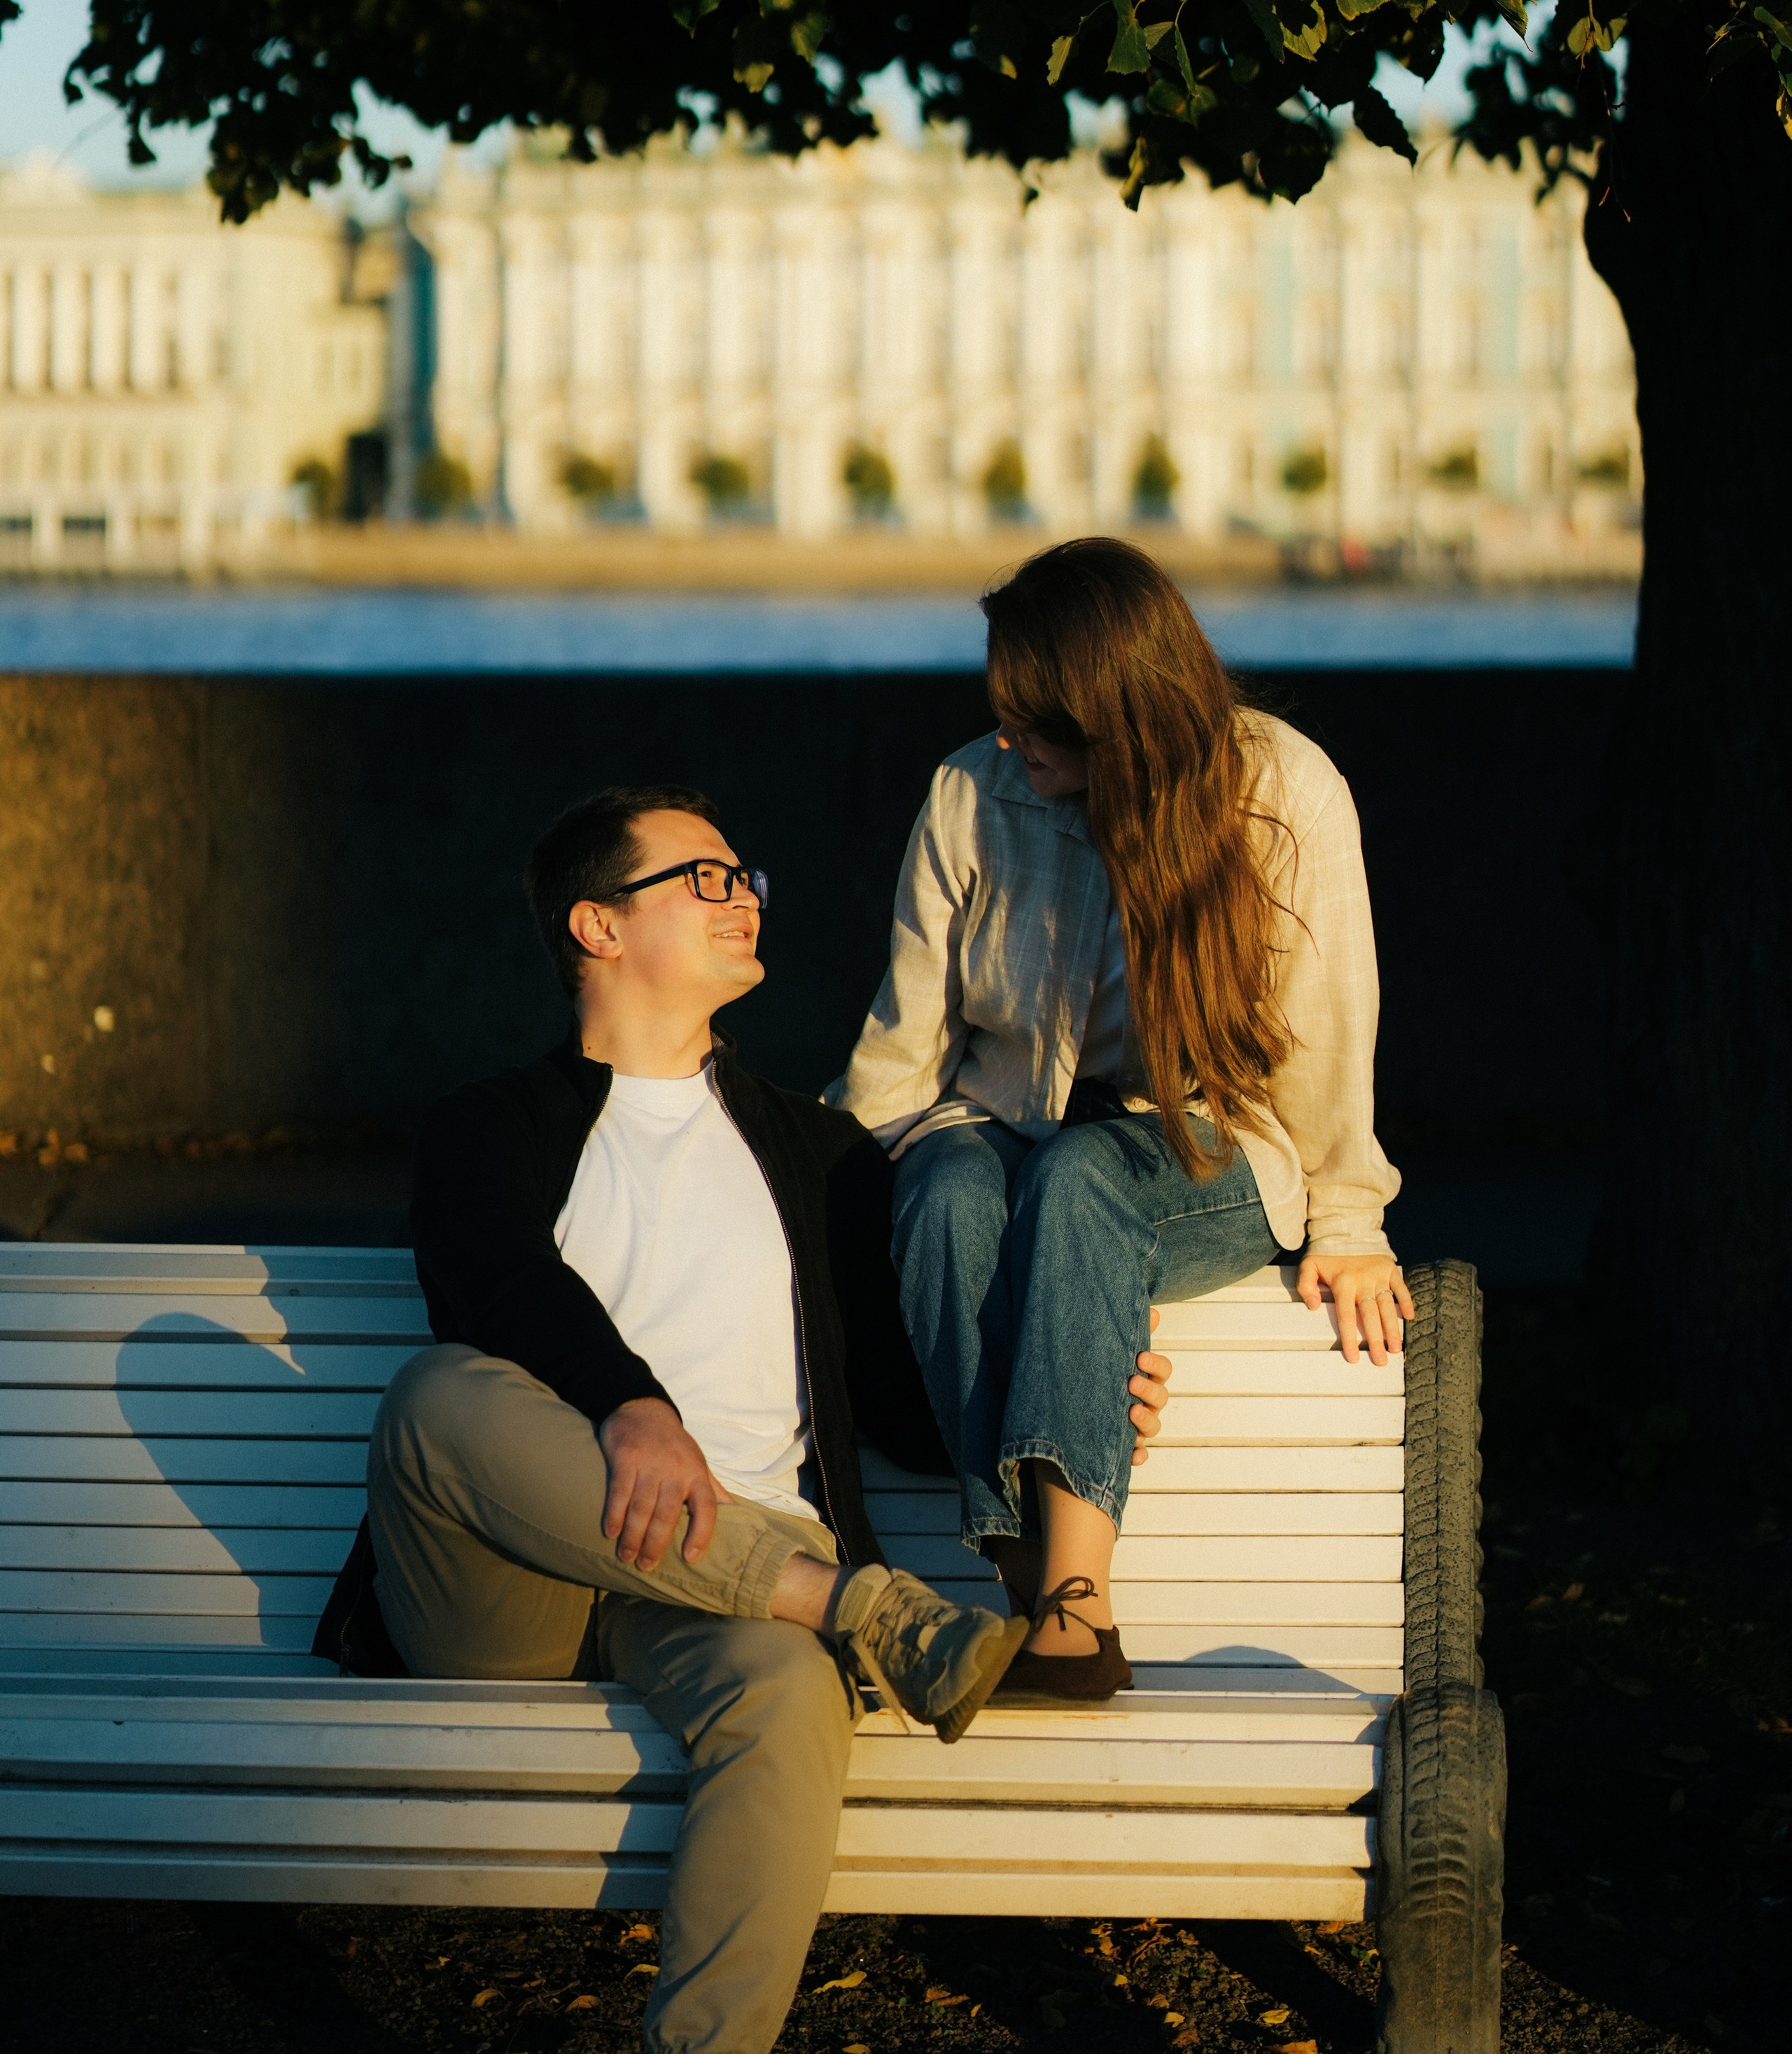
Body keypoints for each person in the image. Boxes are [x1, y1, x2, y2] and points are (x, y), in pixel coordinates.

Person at [325, 781, 1171, 2054]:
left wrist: (1077, 1389)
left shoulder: (820, 1152)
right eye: (704, 879)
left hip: (735, 1590)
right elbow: (491, 1283)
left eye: (744, 878)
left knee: (789, 1699)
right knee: (436, 1394)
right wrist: (630, 1403)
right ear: (597, 927)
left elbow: (899, 1394)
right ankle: (864, 1611)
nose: (744, 899)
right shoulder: (487, 1127)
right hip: (514, 1586)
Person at [829, 537, 1413, 1705]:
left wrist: (1351, 1217)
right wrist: (825, 1198)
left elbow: (1332, 1026)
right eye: (1005, 713)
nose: (1011, 743)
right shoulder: (969, 793)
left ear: (1119, 715)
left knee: (1085, 1176)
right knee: (943, 1189)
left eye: (1039, 722)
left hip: (1211, 1145)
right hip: (1004, 1123)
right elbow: (903, 1047)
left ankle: (1076, 1610)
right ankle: (1018, 1571)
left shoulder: (1282, 792)